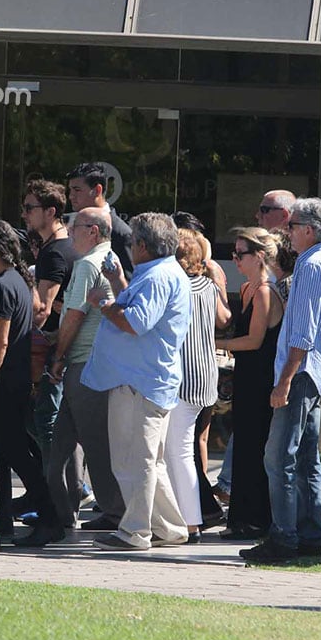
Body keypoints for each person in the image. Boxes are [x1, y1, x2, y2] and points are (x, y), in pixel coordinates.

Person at [82, 213, 191, 551]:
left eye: (131, 243)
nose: (129, 248)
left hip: (139, 382)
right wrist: (117, 283)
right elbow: (138, 309)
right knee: (148, 461)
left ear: (142, 246)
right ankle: (170, 528)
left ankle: (135, 532)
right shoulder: (162, 272)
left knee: (134, 460)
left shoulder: (158, 276)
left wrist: (102, 304)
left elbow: (136, 321)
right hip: (145, 380)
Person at [241, 199, 321, 564]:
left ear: (310, 230)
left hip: (300, 375)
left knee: (279, 457)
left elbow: (302, 334)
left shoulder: (311, 265)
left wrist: (283, 382)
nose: (287, 231)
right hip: (312, 375)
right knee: (306, 460)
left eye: (293, 225)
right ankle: (309, 536)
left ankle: (284, 538)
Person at [0, 220, 62, 546]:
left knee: (13, 453)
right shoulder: (18, 281)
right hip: (16, 379)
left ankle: (49, 518)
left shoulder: (4, 284)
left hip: (5, 381)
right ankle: (1, 521)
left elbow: (1, 342)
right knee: (5, 453)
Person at [46, 207, 126, 535]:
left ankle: (116, 512)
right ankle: (61, 513)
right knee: (62, 445)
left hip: (85, 365)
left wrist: (57, 356)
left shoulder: (87, 264)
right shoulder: (110, 260)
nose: (69, 231)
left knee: (95, 444)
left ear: (92, 231)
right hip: (94, 364)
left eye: (74, 226)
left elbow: (74, 316)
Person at [218, 227, 283, 540]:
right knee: (243, 444)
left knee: (256, 446)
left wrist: (215, 344)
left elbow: (255, 341)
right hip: (244, 377)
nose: (235, 259)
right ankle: (241, 518)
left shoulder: (265, 292)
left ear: (259, 257)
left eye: (240, 253)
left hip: (261, 380)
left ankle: (257, 519)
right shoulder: (246, 289)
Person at [165, 229, 230, 543]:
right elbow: (223, 319)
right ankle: (187, 518)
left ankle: (191, 522)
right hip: (206, 375)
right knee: (185, 449)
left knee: (178, 453)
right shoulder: (207, 286)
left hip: (184, 378)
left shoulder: (178, 287)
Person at [23, 179, 75, 465]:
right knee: (41, 419)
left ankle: (57, 491)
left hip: (55, 347)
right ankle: (64, 486)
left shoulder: (53, 252)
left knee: (44, 420)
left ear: (51, 212)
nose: (25, 214)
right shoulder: (65, 247)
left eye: (30, 207)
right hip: (64, 345)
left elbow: (41, 312)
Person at [66, 162, 134, 277]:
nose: (71, 196)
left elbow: (127, 286)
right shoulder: (67, 223)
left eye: (77, 190)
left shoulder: (121, 234)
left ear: (97, 190)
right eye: (70, 190)